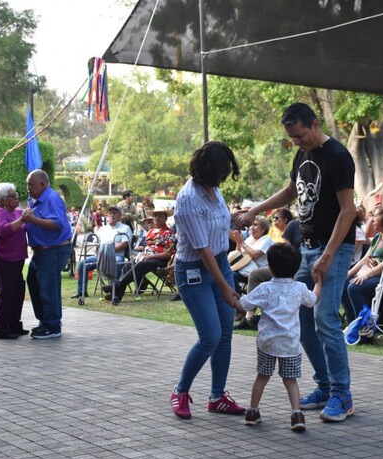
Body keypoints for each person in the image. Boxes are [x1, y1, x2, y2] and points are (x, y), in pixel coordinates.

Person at [235, 102, 357, 422]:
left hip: (335, 248)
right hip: (308, 247)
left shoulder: (339, 157)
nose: (297, 143)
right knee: (301, 320)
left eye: (300, 136)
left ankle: (342, 395)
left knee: (326, 319)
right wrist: (254, 210)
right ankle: (325, 385)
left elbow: (348, 211)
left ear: (315, 124)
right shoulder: (303, 154)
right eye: (292, 138)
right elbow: (290, 191)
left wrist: (328, 256)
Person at [170, 141, 246, 420]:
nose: (224, 176)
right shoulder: (188, 199)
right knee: (210, 336)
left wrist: (236, 222)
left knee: (225, 335)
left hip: (221, 263)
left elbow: (217, 231)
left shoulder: (215, 191)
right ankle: (180, 391)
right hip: (194, 271)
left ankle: (217, 397)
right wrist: (226, 288)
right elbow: (202, 250)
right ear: (207, 169)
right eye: (222, 171)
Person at [238, 243, 321, 431]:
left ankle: (252, 411)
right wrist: (318, 282)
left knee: (262, 376)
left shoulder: (265, 288)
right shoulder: (299, 288)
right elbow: (312, 300)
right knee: (291, 381)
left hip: (267, 342)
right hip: (290, 343)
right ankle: (296, 414)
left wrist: (232, 298)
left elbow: (244, 305)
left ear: (271, 266)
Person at [23, 169, 72, 339]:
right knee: (34, 282)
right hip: (40, 250)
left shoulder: (52, 198)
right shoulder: (34, 200)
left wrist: (34, 220)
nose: (28, 188)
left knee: (48, 286)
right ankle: (44, 321)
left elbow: (58, 223)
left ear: (42, 184)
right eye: (27, 184)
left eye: (31, 185)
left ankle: (52, 325)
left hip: (54, 249)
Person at [101, 207, 175, 304]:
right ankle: (117, 295)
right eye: (155, 216)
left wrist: (151, 257)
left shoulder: (168, 233)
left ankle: (115, 286)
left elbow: (168, 253)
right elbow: (145, 247)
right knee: (128, 264)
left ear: (165, 219)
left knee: (139, 266)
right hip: (145, 257)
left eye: (160, 216)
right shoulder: (150, 232)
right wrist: (141, 253)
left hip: (159, 260)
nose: (157, 218)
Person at [0, 183, 28, 340]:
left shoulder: (16, 212)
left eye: (16, 194)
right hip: (2, 258)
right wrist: (22, 220)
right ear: (3, 200)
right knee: (6, 292)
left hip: (16, 258)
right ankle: (0, 328)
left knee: (17, 291)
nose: (16, 197)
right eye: (12, 196)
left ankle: (13, 324)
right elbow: (3, 230)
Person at [72, 205, 131, 299]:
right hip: (101, 256)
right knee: (83, 264)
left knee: (118, 262)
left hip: (116, 255)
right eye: (110, 213)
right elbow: (95, 243)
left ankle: (113, 291)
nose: (112, 215)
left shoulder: (125, 228)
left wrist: (109, 250)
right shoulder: (102, 229)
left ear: (120, 216)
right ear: (107, 215)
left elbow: (124, 244)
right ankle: (81, 291)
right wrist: (98, 250)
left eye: (115, 213)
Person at [229, 216, 273, 295]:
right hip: (244, 268)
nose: (252, 227)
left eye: (255, 225)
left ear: (263, 229)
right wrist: (239, 242)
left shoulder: (266, 239)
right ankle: (237, 299)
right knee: (227, 274)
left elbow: (255, 254)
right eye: (252, 225)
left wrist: (242, 243)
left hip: (258, 271)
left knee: (232, 276)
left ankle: (240, 301)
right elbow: (238, 253)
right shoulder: (250, 238)